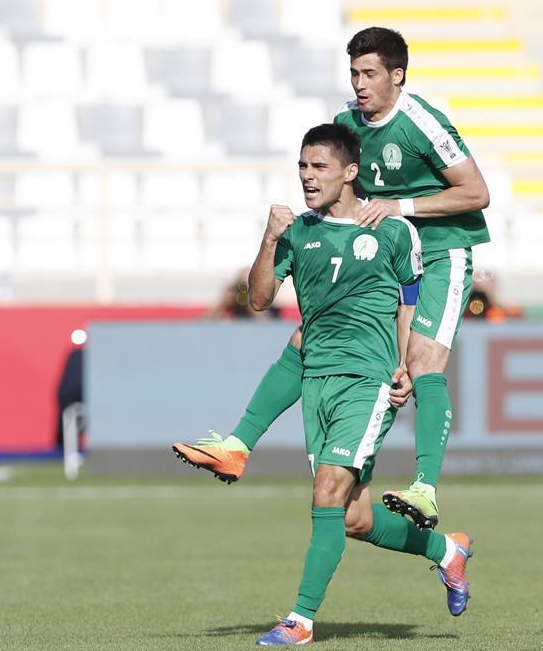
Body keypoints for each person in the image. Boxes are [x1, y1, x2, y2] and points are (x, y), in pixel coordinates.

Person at [177, 27, 490, 531]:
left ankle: (426, 488)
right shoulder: (348, 123)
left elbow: (476, 193)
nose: (360, 83)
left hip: (438, 252)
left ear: (397, 75)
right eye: (353, 73)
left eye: (369, 73)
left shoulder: (421, 123)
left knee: (424, 360)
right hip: (377, 252)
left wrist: (399, 206)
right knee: (311, 335)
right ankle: (237, 445)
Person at [173, 125, 473, 645]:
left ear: (350, 172)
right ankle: (447, 551)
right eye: (302, 168)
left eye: (319, 167)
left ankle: (301, 620)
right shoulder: (297, 232)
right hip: (317, 384)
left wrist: (404, 363)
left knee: (326, 490)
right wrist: (268, 239)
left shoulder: (392, 231)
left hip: (367, 383)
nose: (308, 178)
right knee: (354, 518)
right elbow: (260, 299)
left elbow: (407, 303)